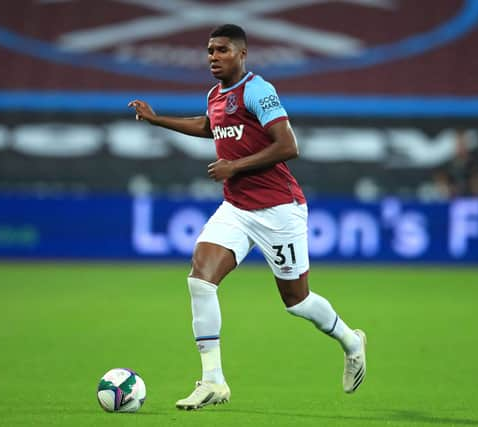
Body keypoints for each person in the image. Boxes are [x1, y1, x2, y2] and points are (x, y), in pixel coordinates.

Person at [128, 24, 366, 410]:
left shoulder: (258, 90)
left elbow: (288, 146)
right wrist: (157, 120)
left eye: (221, 50)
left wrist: (234, 166)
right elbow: (209, 126)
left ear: (242, 54)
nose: (213, 57)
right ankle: (213, 381)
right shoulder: (215, 95)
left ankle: (352, 342)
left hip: (279, 210)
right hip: (236, 208)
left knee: (296, 301)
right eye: (209, 51)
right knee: (200, 280)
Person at [434, 129, 478, 199]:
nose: (460, 147)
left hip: (470, 198)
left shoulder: (474, 162)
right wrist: (448, 189)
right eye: (458, 144)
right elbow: (441, 179)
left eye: (462, 144)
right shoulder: (448, 162)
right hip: (452, 197)